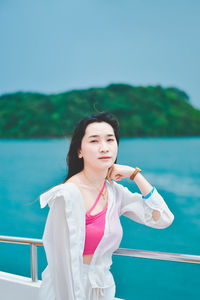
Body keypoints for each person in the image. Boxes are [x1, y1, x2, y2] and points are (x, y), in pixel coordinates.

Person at [39, 111, 174, 300]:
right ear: (79, 150)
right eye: (94, 141)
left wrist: (135, 175)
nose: (104, 148)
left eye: (110, 140)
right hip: (70, 289)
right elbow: (60, 263)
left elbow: (163, 219)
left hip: (104, 288)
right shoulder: (67, 195)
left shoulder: (114, 192)